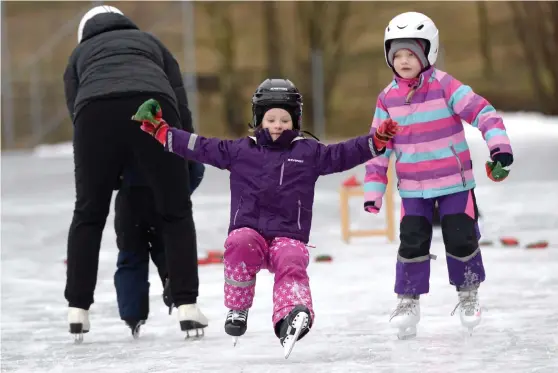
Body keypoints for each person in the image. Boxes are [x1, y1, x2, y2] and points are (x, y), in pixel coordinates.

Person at [131, 78, 398, 358]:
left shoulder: (309, 153)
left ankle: (291, 315)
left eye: (285, 119)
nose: (278, 124)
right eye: (271, 118)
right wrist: (163, 132)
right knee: (238, 242)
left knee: (292, 260)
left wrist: (375, 141)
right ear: (259, 120)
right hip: (251, 233)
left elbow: (344, 153)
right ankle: (238, 308)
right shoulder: (240, 151)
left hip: (288, 236)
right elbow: (201, 146)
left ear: (295, 121)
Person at [363, 12, 514, 339]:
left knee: (461, 237)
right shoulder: (386, 99)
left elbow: (484, 112)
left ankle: (469, 291)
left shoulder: (446, 86)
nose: (403, 61)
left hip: (454, 184)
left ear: (427, 53)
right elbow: (379, 148)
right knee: (411, 243)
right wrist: (373, 190)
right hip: (413, 190)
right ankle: (408, 300)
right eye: (397, 54)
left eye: (411, 54)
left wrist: (499, 147)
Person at [63, 5, 207, 342]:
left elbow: (75, 106)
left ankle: (77, 309)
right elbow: (179, 97)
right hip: (153, 104)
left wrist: (103, 167)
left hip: (94, 113)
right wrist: (183, 151)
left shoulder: (79, 53)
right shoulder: (150, 42)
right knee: (175, 211)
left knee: (88, 214)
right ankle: (187, 305)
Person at [113, 160, 205, 338]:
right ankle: (180, 296)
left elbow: (108, 167)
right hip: (166, 194)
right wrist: (183, 191)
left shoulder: (119, 131)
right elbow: (197, 166)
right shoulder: (171, 131)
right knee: (168, 249)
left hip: (129, 199)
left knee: (130, 255)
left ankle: (132, 314)